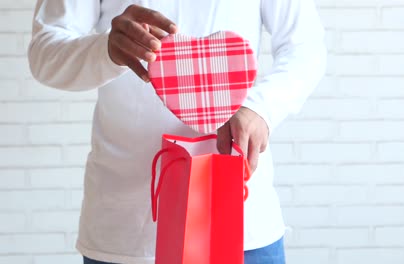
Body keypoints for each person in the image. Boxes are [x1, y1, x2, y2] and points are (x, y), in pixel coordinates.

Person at [28, 0, 326, 263]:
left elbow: (305, 47)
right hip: (124, 231)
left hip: (242, 223)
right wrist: (106, 49)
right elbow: (45, 52)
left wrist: (260, 108)